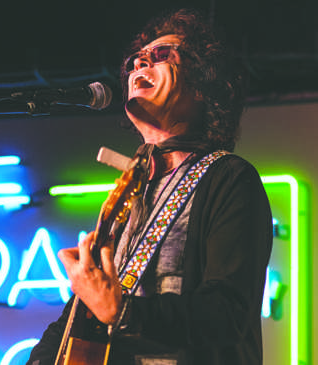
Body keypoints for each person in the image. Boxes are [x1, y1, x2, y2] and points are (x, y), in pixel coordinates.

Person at [27, 8, 272, 365]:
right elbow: (73, 324)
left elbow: (227, 314)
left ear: (203, 86)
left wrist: (124, 312)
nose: (140, 64)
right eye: (135, 61)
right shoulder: (132, 194)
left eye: (161, 56)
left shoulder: (230, 178)